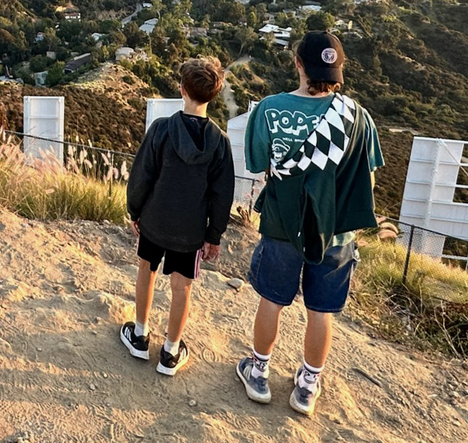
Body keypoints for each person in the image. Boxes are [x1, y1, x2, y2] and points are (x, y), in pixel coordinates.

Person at [236, 31, 383, 417]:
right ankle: (307, 385)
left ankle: (259, 371)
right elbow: (367, 180)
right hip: (336, 231)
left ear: (298, 64)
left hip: (283, 223)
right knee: (321, 310)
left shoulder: (268, 109)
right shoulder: (359, 117)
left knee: (272, 300)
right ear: (338, 70)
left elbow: (258, 165)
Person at [121, 56, 235, 376]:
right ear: (214, 94)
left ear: (182, 89)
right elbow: (221, 194)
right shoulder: (219, 143)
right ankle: (170, 352)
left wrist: (135, 210)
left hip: (155, 220)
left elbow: (142, 175)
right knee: (181, 287)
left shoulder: (161, 129)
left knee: (146, 269)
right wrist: (214, 235)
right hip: (191, 230)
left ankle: (140, 335)